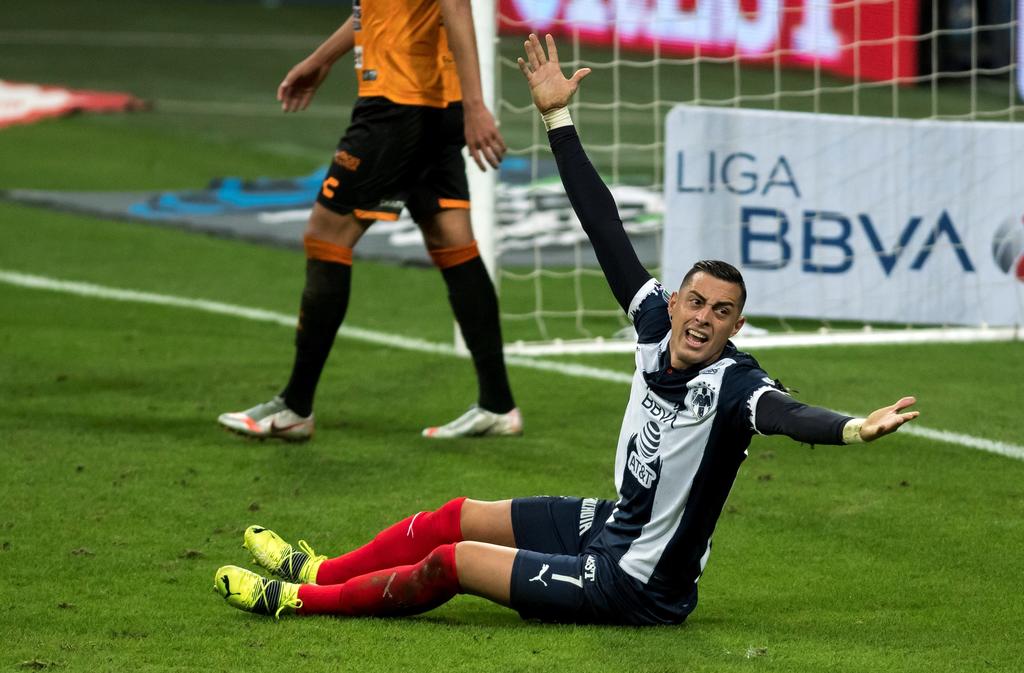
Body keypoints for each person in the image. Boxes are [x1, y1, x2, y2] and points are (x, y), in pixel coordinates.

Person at [212, 34, 920, 625]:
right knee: (448, 516)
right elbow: (602, 223)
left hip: (638, 585)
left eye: (723, 311)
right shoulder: (650, 321)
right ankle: (321, 564)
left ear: (736, 323)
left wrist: (854, 427)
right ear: (675, 303)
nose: (705, 318)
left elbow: (790, 415)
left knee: (450, 561)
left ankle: (300, 598)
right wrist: (558, 120)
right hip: (614, 523)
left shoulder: (735, 385)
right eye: (697, 302)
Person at [217, 0, 521, 441]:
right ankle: (497, 404)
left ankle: (295, 406)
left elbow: (455, 4)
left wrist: (477, 105)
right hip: (433, 102)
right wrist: (321, 59)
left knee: (327, 234)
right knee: (451, 238)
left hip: (398, 105)